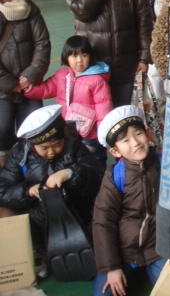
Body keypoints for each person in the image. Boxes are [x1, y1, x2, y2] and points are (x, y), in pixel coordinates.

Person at [0, 105, 103, 278]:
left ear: (64, 134)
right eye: (44, 148)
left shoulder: (75, 148)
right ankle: (38, 250)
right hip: (36, 220)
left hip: (74, 218)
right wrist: (28, 191)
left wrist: (70, 173)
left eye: (56, 145)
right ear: (32, 144)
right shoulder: (20, 154)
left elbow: (96, 175)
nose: (51, 152)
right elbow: (3, 189)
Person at [92, 105, 170, 296]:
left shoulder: (166, 165)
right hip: (124, 253)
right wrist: (112, 267)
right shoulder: (114, 176)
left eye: (138, 133)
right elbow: (103, 222)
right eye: (125, 140)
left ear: (147, 134)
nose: (136, 142)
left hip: (159, 250)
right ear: (115, 151)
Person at [64, 0, 154, 108]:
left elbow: (144, 22)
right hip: (91, 68)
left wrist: (144, 58)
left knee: (122, 115)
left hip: (125, 67)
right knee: (96, 116)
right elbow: (82, 12)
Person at [24, 35, 113, 168]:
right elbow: (46, 89)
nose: (80, 60)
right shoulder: (62, 75)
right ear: (66, 57)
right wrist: (26, 89)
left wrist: (103, 133)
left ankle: (99, 180)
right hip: (67, 132)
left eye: (84, 55)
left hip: (90, 135)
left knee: (94, 162)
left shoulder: (97, 81)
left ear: (90, 56)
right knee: (71, 161)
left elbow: (103, 109)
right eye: (74, 56)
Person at [0, 0, 51, 168]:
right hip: (3, 90)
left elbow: (42, 42)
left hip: (30, 87)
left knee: (33, 131)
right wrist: (9, 82)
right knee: (2, 132)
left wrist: (30, 75)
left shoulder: (30, 9)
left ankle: (31, 176)